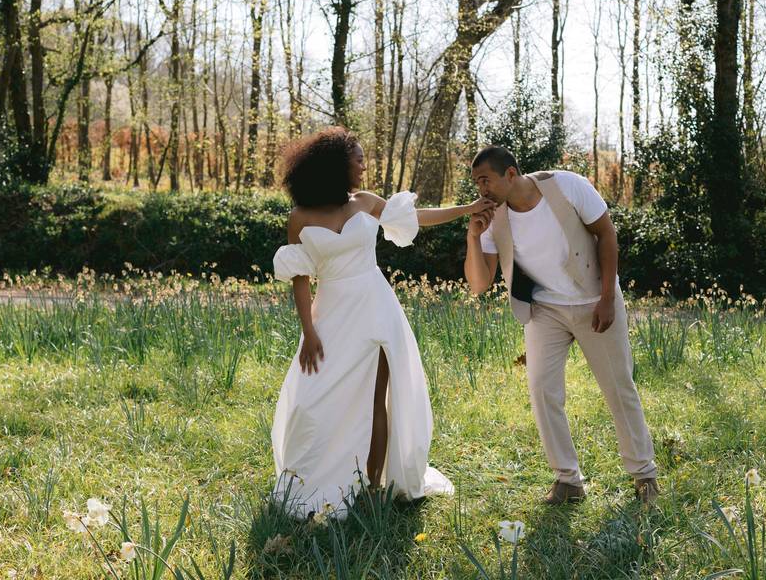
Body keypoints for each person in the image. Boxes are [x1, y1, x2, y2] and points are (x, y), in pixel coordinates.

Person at [270, 126, 493, 519]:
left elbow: (415, 218)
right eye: (357, 157)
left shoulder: (364, 202)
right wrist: (308, 332)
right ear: (335, 166)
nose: (363, 164)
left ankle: (373, 486)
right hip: (332, 313)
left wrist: (466, 209)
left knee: (377, 399)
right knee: (312, 401)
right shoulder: (299, 217)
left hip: (375, 307)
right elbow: (300, 280)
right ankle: (313, 478)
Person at [463, 146, 660, 505]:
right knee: (542, 390)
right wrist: (474, 237)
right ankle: (568, 480)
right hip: (544, 309)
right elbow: (479, 284)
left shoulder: (566, 186)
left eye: (485, 180)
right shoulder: (493, 219)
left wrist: (606, 298)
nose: (481, 190)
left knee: (619, 388)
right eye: (476, 182)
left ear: (510, 174)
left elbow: (607, 235)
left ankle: (644, 474)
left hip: (593, 300)